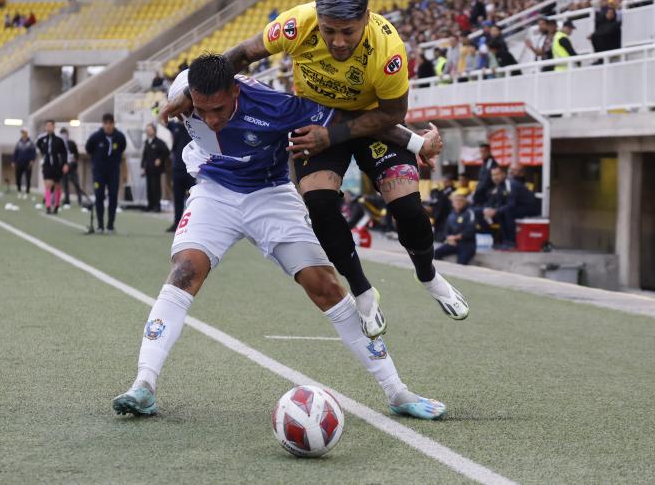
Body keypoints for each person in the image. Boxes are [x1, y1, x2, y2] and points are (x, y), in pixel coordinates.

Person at [112, 54, 446, 421]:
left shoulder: (276, 106)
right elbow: (198, 92)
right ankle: (143, 384)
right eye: (201, 109)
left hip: (270, 195)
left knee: (325, 286)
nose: (209, 119)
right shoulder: (183, 90)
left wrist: (416, 144)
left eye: (219, 109)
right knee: (185, 270)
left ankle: (396, 390)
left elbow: (356, 122)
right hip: (215, 192)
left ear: (235, 90)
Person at [161, 0, 465, 338]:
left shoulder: (388, 52)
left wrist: (335, 135)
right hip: (312, 119)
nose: (337, 41)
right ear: (316, 19)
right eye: (328, 30)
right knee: (318, 202)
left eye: (347, 32)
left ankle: (429, 276)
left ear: (366, 18)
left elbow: (391, 115)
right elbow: (239, 55)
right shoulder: (296, 25)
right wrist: (195, 92)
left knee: (408, 208)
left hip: (371, 125)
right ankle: (363, 290)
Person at [85, 113, 126, 233]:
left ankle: (110, 225)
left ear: (114, 124)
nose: (108, 126)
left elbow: (122, 147)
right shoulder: (96, 137)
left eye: (110, 123)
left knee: (113, 196)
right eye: (106, 123)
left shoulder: (119, 137)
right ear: (103, 124)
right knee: (99, 196)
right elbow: (89, 149)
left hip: (113, 171)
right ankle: (100, 225)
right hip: (99, 172)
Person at [483, 165, 540, 249]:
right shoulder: (499, 186)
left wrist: (496, 211)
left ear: (504, 174)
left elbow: (511, 205)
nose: (495, 177)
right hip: (517, 207)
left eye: (497, 174)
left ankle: (512, 242)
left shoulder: (511, 184)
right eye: (493, 175)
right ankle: (505, 241)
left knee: (507, 212)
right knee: (499, 213)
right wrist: (490, 210)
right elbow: (499, 204)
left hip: (530, 208)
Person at [165, 119, 195, 232]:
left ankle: (193, 224)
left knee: (194, 198)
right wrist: (157, 108)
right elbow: (160, 119)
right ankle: (177, 223)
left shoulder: (194, 125)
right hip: (177, 168)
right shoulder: (174, 126)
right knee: (177, 198)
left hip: (191, 169)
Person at [36, 120, 68, 215]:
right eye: (47, 126)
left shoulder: (59, 140)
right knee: (48, 185)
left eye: (50, 126)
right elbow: (38, 145)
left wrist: (65, 164)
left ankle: (57, 205)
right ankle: (48, 206)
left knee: (57, 186)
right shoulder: (42, 139)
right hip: (47, 165)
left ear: (54, 127)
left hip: (57, 166)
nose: (48, 128)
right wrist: (44, 154)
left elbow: (64, 153)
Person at [434, 193, 477, 265]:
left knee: (461, 262)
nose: (458, 202)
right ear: (452, 203)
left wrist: (455, 237)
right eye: (456, 201)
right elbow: (446, 231)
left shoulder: (470, 213)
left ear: (465, 202)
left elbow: (470, 231)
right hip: (453, 243)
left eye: (460, 200)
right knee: (435, 253)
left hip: (467, 245)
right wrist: (448, 238)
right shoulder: (451, 215)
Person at [141, 123, 169, 213]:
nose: (148, 131)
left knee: (156, 188)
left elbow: (166, 151)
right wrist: (143, 166)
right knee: (149, 188)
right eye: (147, 130)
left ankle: (157, 206)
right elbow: (144, 155)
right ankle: (150, 205)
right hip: (148, 169)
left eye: (150, 129)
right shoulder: (146, 142)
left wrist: (160, 159)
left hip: (156, 170)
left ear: (154, 130)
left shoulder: (159, 142)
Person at [59, 127, 82, 208]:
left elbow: (76, 156)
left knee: (76, 184)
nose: (64, 136)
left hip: (72, 168)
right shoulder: (59, 145)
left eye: (65, 134)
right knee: (65, 185)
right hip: (63, 168)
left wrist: (71, 164)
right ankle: (67, 200)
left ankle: (80, 200)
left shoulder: (71, 143)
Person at [12, 129, 36, 198]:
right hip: (19, 162)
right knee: (18, 177)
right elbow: (15, 153)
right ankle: (19, 191)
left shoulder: (30, 143)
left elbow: (33, 153)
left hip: (27, 163)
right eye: (22, 133)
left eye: (24, 133)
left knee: (28, 178)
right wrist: (13, 161)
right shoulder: (19, 143)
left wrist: (32, 160)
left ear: (27, 133)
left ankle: (27, 192)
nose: (23, 134)